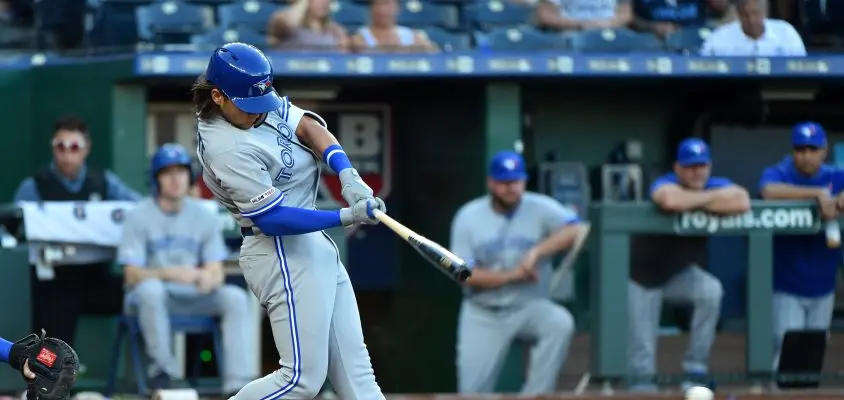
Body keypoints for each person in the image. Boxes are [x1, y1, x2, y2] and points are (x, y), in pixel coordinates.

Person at [192, 42, 387, 399]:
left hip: (311, 247)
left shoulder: (252, 94)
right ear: (217, 96)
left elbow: (307, 125)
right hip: (278, 249)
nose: (259, 113)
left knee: (358, 378)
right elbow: (272, 218)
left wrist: (347, 173)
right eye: (248, 107)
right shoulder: (225, 146)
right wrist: (347, 216)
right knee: (301, 379)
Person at [118, 143, 255, 395]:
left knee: (234, 297)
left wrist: (209, 278)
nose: (175, 179)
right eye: (167, 173)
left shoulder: (204, 216)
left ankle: (238, 385)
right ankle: (164, 372)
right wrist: (171, 274)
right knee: (150, 290)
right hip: (150, 299)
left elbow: (216, 269)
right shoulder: (138, 215)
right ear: (156, 178)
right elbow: (131, 274)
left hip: (192, 295)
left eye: (180, 172)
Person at [449, 150, 581, 394]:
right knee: (471, 393)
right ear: (491, 182)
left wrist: (536, 253)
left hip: (527, 305)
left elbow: (575, 229)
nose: (512, 188)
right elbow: (464, 275)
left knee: (559, 322)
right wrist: (513, 276)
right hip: (483, 312)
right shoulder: (468, 217)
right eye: (504, 182)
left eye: (516, 181)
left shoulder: (539, 207)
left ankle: (535, 395)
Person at [630, 138, 749, 392]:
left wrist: (695, 199)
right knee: (642, 357)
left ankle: (695, 369)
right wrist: (713, 202)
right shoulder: (665, 182)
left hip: (677, 274)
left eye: (702, 166)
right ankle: (643, 392)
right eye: (690, 166)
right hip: (641, 277)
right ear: (677, 168)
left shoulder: (714, 184)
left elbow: (742, 201)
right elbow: (669, 200)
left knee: (710, 291)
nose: (697, 171)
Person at [12, 116, 141, 348]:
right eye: (61, 147)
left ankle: (157, 376)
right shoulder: (34, 187)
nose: (68, 154)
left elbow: (140, 210)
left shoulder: (104, 182)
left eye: (74, 147)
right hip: (53, 278)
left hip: (96, 276)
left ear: (86, 149)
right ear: (53, 148)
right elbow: (14, 232)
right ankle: (53, 377)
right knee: (55, 307)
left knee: (144, 295)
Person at [758, 122, 844, 368]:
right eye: (800, 149)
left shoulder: (834, 175)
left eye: (812, 149)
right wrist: (817, 194)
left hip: (824, 286)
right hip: (787, 286)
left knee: (813, 355)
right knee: (786, 351)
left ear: (824, 151)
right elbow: (767, 190)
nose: (806, 155)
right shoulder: (781, 172)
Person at [350, 0, 438, 52]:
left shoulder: (411, 35)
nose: (382, 10)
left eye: (386, 4)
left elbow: (434, 52)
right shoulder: (361, 36)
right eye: (377, 4)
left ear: (397, 8)